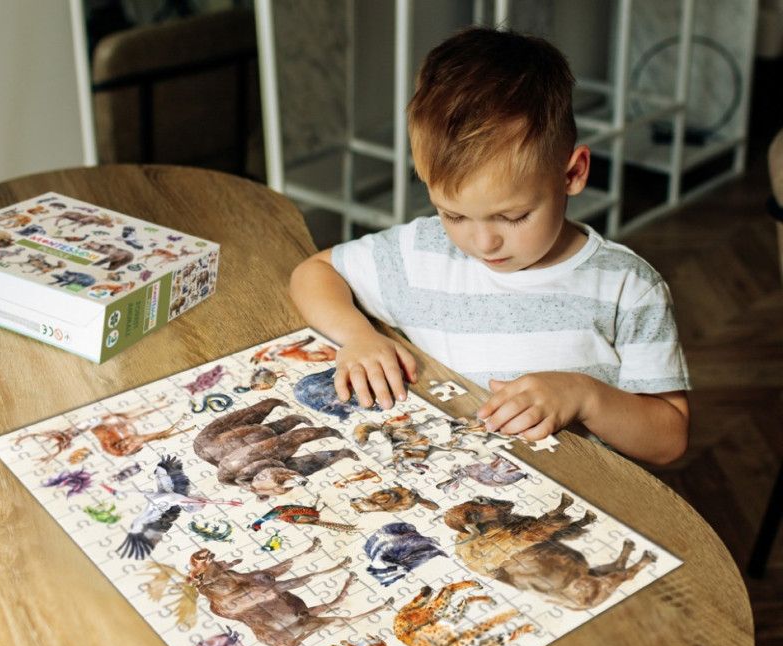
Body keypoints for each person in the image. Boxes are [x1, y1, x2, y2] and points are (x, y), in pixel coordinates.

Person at [289, 26, 690, 465]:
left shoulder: (629, 288)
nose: (483, 242)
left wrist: (585, 396)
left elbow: (668, 440)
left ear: (573, 174)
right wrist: (358, 337)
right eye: (454, 215)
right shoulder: (420, 253)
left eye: (513, 216)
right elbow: (315, 273)